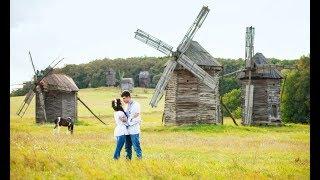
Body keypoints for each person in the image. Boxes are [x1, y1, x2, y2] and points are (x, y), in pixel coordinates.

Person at [121, 90, 143, 160]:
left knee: (136, 145)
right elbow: (127, 115)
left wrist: (127, 119)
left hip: (134, 128)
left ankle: (139, 158)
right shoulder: (126, 106)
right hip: (127, 129)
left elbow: (135, 115)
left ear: (128, 97)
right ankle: (128, 159)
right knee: (127, 146)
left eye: (124, 98)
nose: (123, 100)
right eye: (123, 98)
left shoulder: (136, 104)